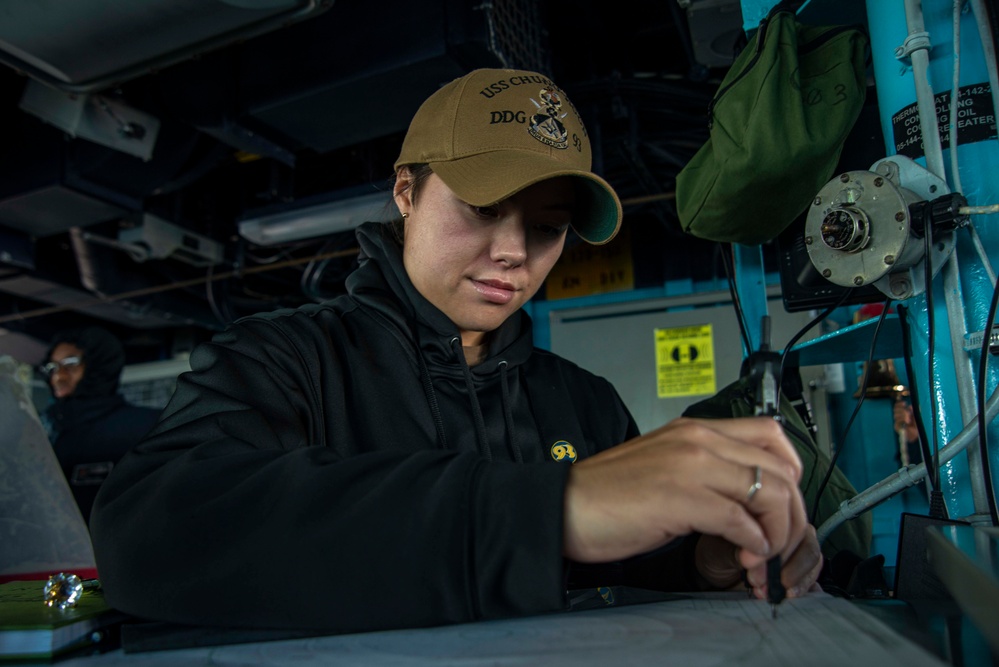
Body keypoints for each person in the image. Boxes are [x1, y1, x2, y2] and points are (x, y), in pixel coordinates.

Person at [90, 68, 821, 634]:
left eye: (548, 225)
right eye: (481, 207)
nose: (512, 252)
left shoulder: (583, 399)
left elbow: (627, 567)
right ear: (406, 192)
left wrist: (704, 560)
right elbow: (149, 535)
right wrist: (547, 510)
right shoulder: (286, 358)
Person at [41, 326, 161, 525]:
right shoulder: (42, 430)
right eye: (52, 367)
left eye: (70, 364)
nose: (58, 376)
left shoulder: (147, 426)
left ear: (100, 365)